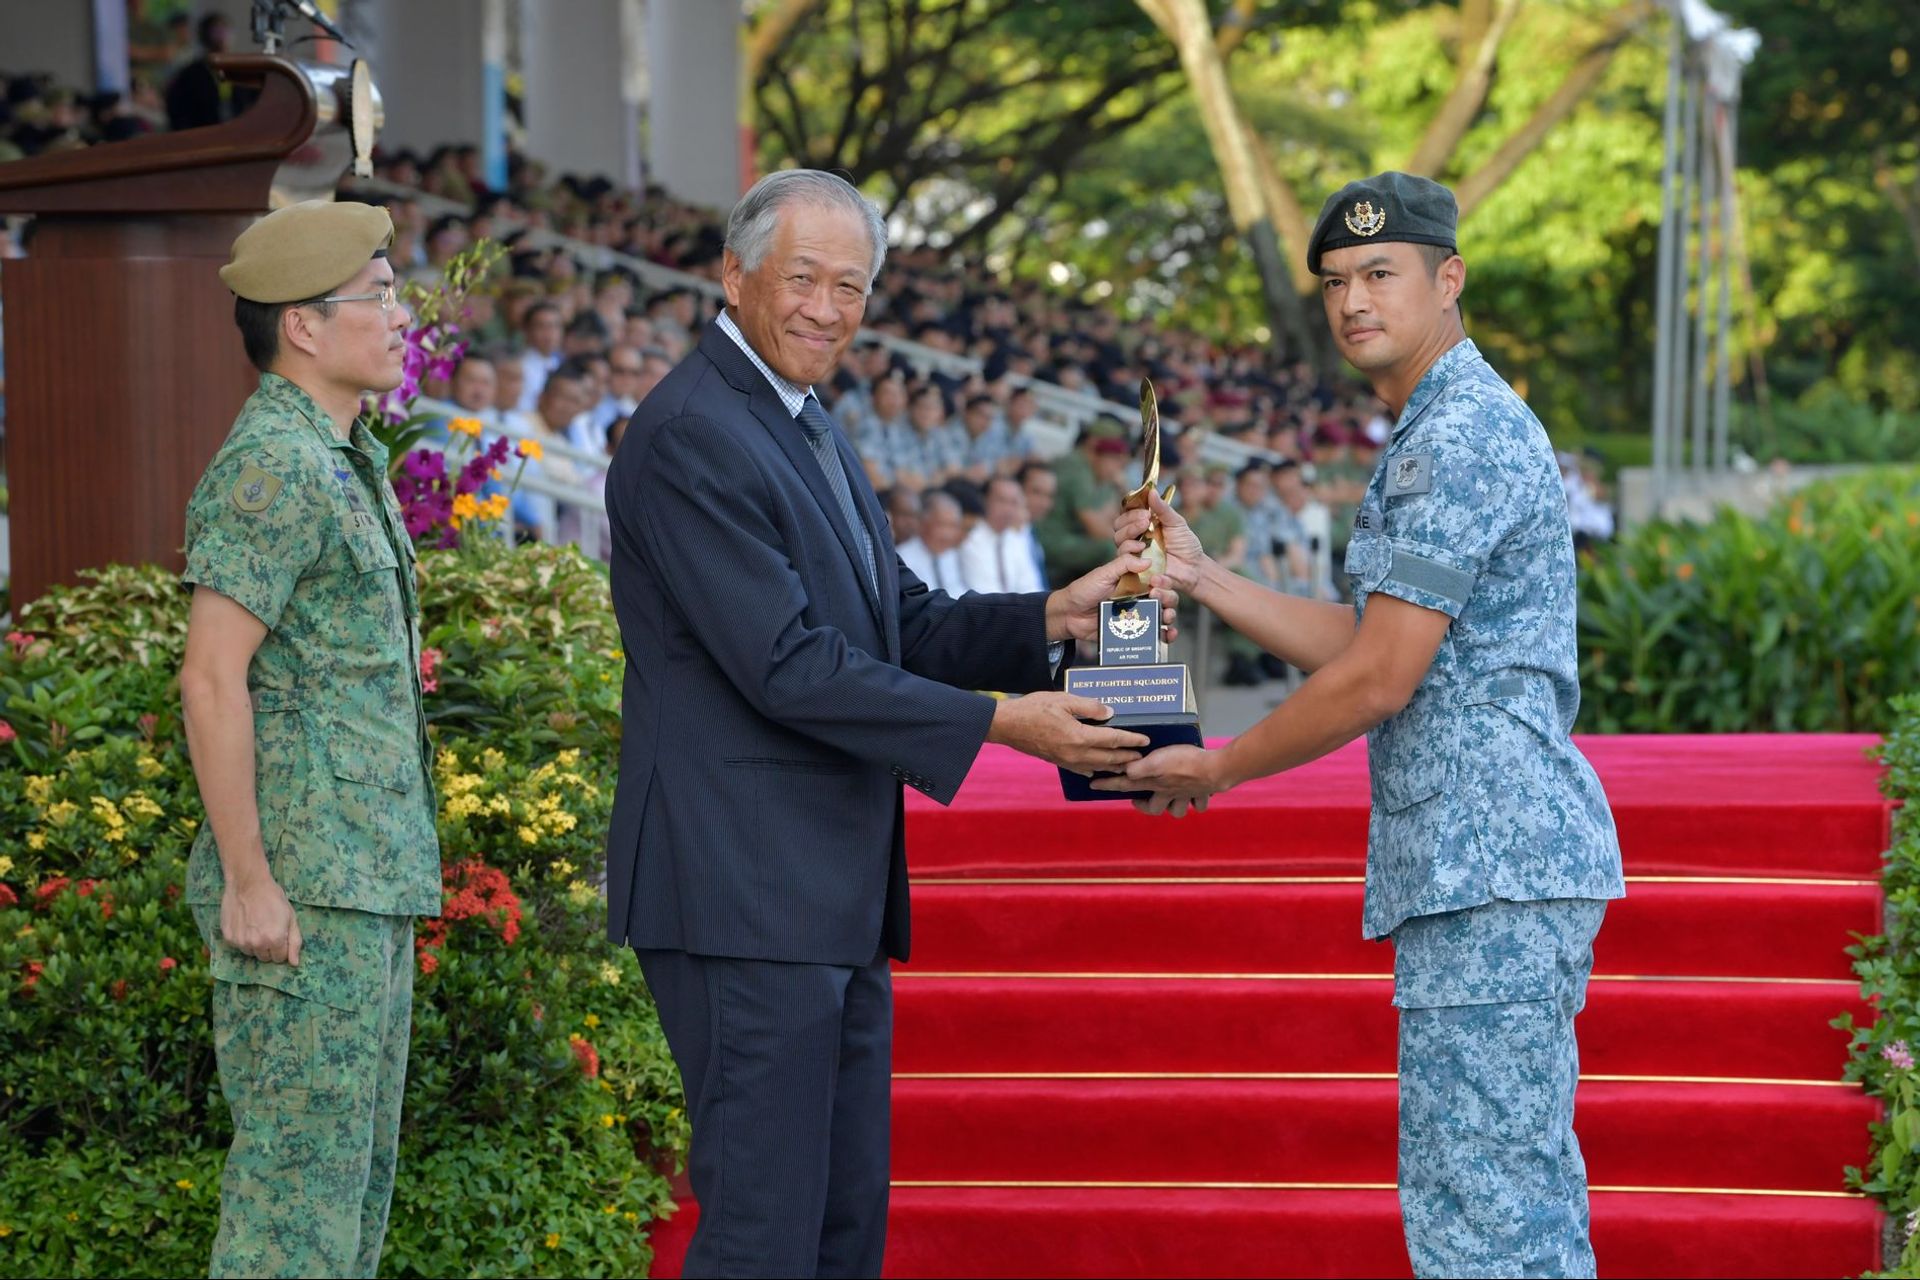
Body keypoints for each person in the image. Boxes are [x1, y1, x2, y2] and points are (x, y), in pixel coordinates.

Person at [602, 168, 1167, 1280]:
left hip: (824, 893)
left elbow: (894, 619)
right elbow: (788, 665)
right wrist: (1004, 721)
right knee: (766, 1234)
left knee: (840, 1224)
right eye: (802, 279)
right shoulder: (694, 433)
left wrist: (1058, 613)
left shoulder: (799, 416)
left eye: (850, 287)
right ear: (734, 274)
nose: (826, 309)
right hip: (743, 893)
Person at [1103, 172, 1624, 1277]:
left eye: (1380, 274)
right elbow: (1370, 636)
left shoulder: (1460, 433)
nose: (1353, 300)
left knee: (1489, 1216)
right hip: (1480, 862)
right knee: (1488, 1198)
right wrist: (1201, 575)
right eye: (1336, 280)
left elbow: (1381, 677)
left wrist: (1224, 766)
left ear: (1449, 278)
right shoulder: (1439, 420)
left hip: (1489, 862)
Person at [176, 201, 437, 1277]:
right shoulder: (276, 463)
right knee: (293, 1212)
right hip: (302, 886)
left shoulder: (340, 455)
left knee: (349, 1199)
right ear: (302, 326)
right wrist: (248, 881)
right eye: (378, 296)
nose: (401, 315)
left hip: (359, 878)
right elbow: (210, 675)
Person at [957, 473, 1041, 593]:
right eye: (1001, 500)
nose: (1008, 509)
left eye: (1014, 502)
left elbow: (1030, 587)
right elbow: (985, 594)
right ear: (984, 500)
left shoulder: (1016, 539)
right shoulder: (970, 539)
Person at [896, 488, 968, 595]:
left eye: (952, 526)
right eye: (940, 525)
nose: (946, 535)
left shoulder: (953, 555)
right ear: (923, 523)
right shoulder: (903, 558)